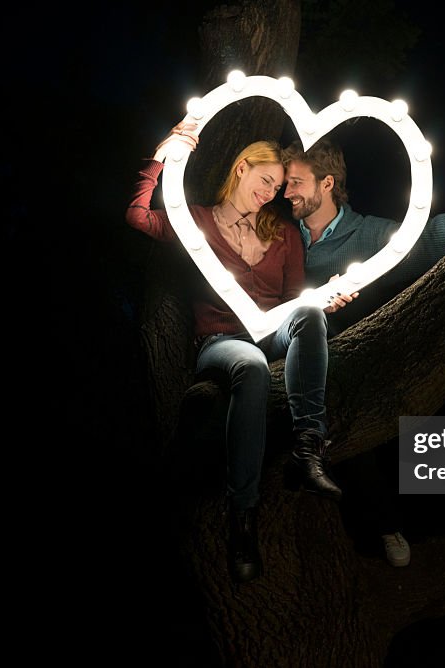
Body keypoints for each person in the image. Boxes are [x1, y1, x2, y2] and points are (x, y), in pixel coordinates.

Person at [125, 123, 343, 584]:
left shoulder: (283, 234)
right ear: (241, 167)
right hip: (222, 342)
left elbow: (292, 300)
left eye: (279, 188)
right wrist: (160, 155)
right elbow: (137, 216)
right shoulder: (196, 220)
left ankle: (310, 448)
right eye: (266, 180)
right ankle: (242, 516)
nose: (272, 193)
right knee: (251, 366)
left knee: (311, 316)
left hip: (270, 332)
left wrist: (320, 300)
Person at [280, 139, 445, 566]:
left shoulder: (364, 233)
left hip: (345, 363)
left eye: (295, 182)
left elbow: (419, 240)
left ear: (327, 183)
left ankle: (386, 525)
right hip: (283, 357)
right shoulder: (281, 236)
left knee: (351, 432)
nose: (286, 191)